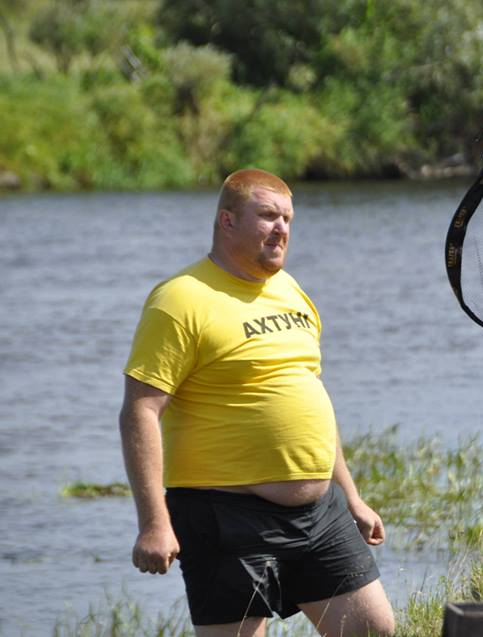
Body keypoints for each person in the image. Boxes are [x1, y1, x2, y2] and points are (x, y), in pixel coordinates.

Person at [118, 168, 395, 637]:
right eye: (267, 216)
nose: (281, 228)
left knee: (372, 629)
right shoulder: (180, 299)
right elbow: (140, 410)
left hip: (319, 513)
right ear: (227, 222)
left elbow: (308, 394)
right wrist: (153, 523)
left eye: (288, 218)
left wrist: (350, 495)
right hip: (226, 514)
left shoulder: (290, 290)